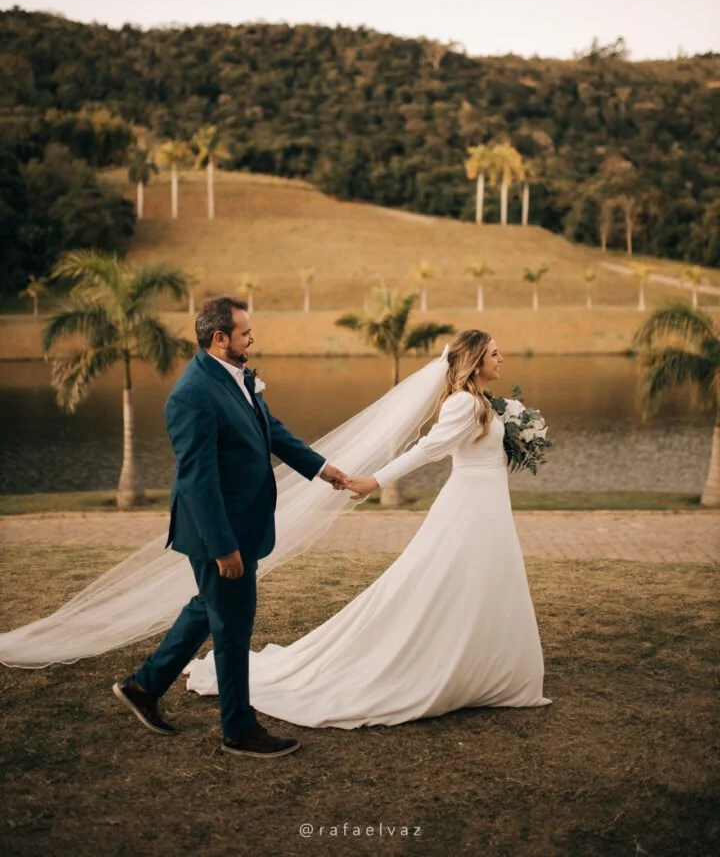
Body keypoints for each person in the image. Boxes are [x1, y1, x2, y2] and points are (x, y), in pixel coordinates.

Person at [183, 329, 552, 726]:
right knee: (452, 581)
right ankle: (460, 665)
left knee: (489, 581)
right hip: (471, 507)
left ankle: (489, 665)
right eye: (495, 354)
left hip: (489, 504)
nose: (501, 359)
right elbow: (426, 451)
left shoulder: (482, 402)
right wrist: (375, 480)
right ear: (475, 361)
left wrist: (518, 431)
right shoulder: (463, 403)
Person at [112, 296, 352, 759]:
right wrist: (223, 549)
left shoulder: (236, 376)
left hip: (243, 521)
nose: (251, 338)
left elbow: (272, 431)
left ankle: (144, 687)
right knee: (233, 626)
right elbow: (197, 480)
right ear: (219, 338)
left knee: (210, 607)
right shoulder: (192, 394)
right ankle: (238, 730)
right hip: (218, 531)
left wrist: (324, 470)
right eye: (244, 332)